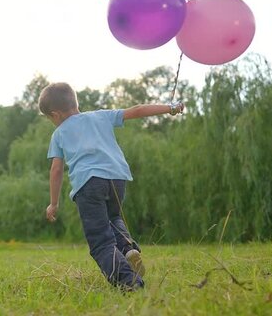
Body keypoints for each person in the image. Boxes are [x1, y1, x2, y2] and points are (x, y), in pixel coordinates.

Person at [38, 82, 183, 290]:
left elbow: (56, 170)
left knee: (100, 242)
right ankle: (127, 248)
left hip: (89, 184)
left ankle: (130, 283)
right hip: (117, 178)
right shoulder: (100, 116)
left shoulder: (59, 133)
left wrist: (53, 203)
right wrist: (170, 107)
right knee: (113, 218)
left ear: (55, 114)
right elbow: (138, 110)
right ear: (75, 102)